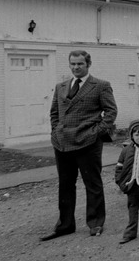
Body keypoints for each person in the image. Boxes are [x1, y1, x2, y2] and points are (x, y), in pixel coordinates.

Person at [41, 50, 117, 240]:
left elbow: (111, 112)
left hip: (88, 143)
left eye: (80, 64)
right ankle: (65, 225)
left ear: (88, 64)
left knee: (92, 183)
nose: (76, 67)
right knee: (65, 185)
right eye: (73, 64)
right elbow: (54, 113)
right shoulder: (61, 86)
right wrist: (56, 131)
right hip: (62, 144)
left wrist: (95, 132)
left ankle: (95, 223)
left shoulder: (100, 86)